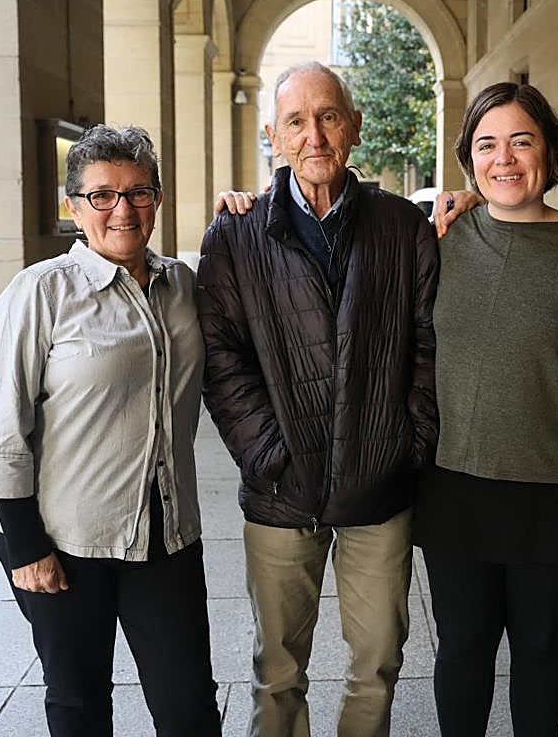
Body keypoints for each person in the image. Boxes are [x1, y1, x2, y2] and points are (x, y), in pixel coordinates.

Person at [197, 61, 439, 737]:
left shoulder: (401, 226)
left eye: (329, 116)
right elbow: (222, 359)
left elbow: (428, 345)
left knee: (380, 659)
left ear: (353, 126)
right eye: (296, 121)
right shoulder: (235, 235)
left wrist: (406, 445)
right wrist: (266, 453)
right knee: (277, 671)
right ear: (274, 135)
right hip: (280, 489)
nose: (315, 135)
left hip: (379, 486)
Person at [0, 124, 220, 737]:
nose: (122, 209)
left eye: (138, 192)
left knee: (188, 702)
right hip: (66, 543)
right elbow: (1, 427)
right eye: (102, 195)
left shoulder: (182, 285)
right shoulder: (41, 292)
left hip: (168, 534)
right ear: (75, 206)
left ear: (157, 200)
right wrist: (26, 545)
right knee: (79, 701)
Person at [413, 82, 558, 736]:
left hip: (557, 485)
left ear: (550, 151)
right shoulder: (438, 240)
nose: (504, 159)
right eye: (486, 144)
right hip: (454, 484)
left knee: (540, 648)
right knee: (464, 647)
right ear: (469, 160)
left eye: (521, 141)